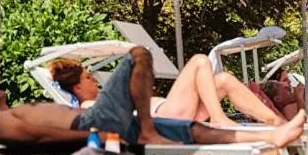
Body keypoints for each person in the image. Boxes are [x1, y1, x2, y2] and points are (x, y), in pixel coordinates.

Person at [0, 45, 305, 149]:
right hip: (93, 123)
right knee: (138, 55)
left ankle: (273, 133)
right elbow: (43, 136)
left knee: (193, 133)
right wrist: (90, 137)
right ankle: (148, 131)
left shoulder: (9, 114)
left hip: (107, 124)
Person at [50, 52, 284, 127]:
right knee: (200, 61)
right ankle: (219, 118)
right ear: (78, 86)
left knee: (222, 79)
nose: (95, 81)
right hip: (166, 119)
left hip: (172, 113)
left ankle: (277, 123)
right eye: (89, 78)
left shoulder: (100, 99)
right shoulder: (88, 106)